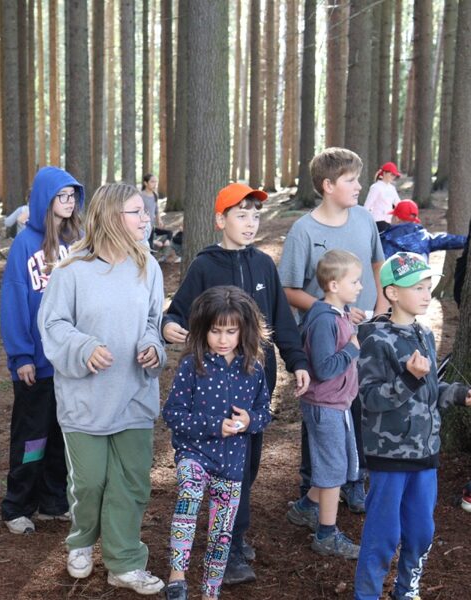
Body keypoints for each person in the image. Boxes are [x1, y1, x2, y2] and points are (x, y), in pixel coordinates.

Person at [163, 182, 310, 585]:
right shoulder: (204, 266)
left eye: (255, 215)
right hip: (212, 388)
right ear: (220, 220)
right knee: (227, 467)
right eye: (241, 215)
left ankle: (234, 535)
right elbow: (177, 311)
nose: (250, 223)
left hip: (253, 385)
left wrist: (296, 360)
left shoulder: (263, 264)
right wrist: (168, 326)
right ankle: (226, 552)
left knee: (248, 465)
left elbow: (282, 321)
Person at [38, 182, 167, 595]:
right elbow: (53, 324)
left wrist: (152, 347)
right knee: (90, 481)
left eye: (145, 211)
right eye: (137, 211)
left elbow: (153, 321)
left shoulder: (148, 265)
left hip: (134, 394)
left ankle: (124, 561)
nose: (146, 218)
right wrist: (84, 348)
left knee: (132, 482)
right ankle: (81, 540)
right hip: (86, 400)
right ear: (111, 216)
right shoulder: (72, 269)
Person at [354, 252, 471, 600]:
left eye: (428, 286)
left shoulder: (425, 334)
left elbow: (429, 388)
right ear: (392, 293)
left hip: (426, 454)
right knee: (384, 535)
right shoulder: (376, 341)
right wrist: (408, 377)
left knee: (421, 532)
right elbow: (370, 398)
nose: (426, 294)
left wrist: (459, 393)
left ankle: (406, 591)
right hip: (389, 457)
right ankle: (367, 595)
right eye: (417, 288)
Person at [278, 147, 386, 515]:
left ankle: (354, 481)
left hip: (365, 329)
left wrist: (381, 306)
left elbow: (377, 263)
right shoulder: (303, 230)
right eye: (350, 180)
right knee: (324, 407)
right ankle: (312, 487)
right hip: (325, 335)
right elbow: (289, 289)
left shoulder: (364, 219)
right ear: (327, 185)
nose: (359, 186)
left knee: (360, 405)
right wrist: (333, 311)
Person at [163, 286, 272, 600]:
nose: (223, 339)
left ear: (244, 331)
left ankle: (210, 591)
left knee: (221, 533)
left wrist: (250, 420)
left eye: (230, 331)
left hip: (232, 464)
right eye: (215, 331)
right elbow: (172, 413)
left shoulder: (253, 369)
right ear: (203, 329)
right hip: (194, 454)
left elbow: (265, 412)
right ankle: (177, 580)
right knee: (188, 500)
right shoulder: (193, 365)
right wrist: (213, 426)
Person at [0, 166, 84, 535]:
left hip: (68, 363)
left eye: (72, 196)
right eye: (61, 196)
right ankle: (17, 506)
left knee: (61, 436)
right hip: (36, 363)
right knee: (32, 438)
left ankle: (53, 502)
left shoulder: (77, 241)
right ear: (44, 200)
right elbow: (14, 301)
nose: (68, 202)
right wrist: (21, 356)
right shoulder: (24, 244)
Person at [286, 250, 362, 560]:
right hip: (325, 405)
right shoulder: (324, 320)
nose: (360, 287)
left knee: (336, 464)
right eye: (354, 282)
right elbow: (324, 367)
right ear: (333, 285)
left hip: (336, 403)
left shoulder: (338, 313)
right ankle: (326, 534)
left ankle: (305, 508)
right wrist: (351, 350)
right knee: (333, 470)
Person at [379, 199, 467, 262]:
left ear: (397, 218)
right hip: (422, 281)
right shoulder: (424, 237)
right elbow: (447, 240)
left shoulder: (385, 239)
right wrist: (467, 240)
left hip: (394, 282)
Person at [363, 161, 401, 232]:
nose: (393, 177)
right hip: (377, 221)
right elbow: (367, 206)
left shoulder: (392, 188)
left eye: (394, 175)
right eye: (392, 174)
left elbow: (399, 204)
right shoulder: (375, 187)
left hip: (388, 222)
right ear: (384, 173)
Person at [140, 173, 174, 253]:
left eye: (156, 182)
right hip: (143, 227)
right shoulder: (140, 195)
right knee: (146, 248)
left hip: (152, 226)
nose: (155, 184)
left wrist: (159, 220)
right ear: (145, 183)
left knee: (151, 249)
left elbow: (156, 209)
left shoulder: (155, 194)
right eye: (152, 182)